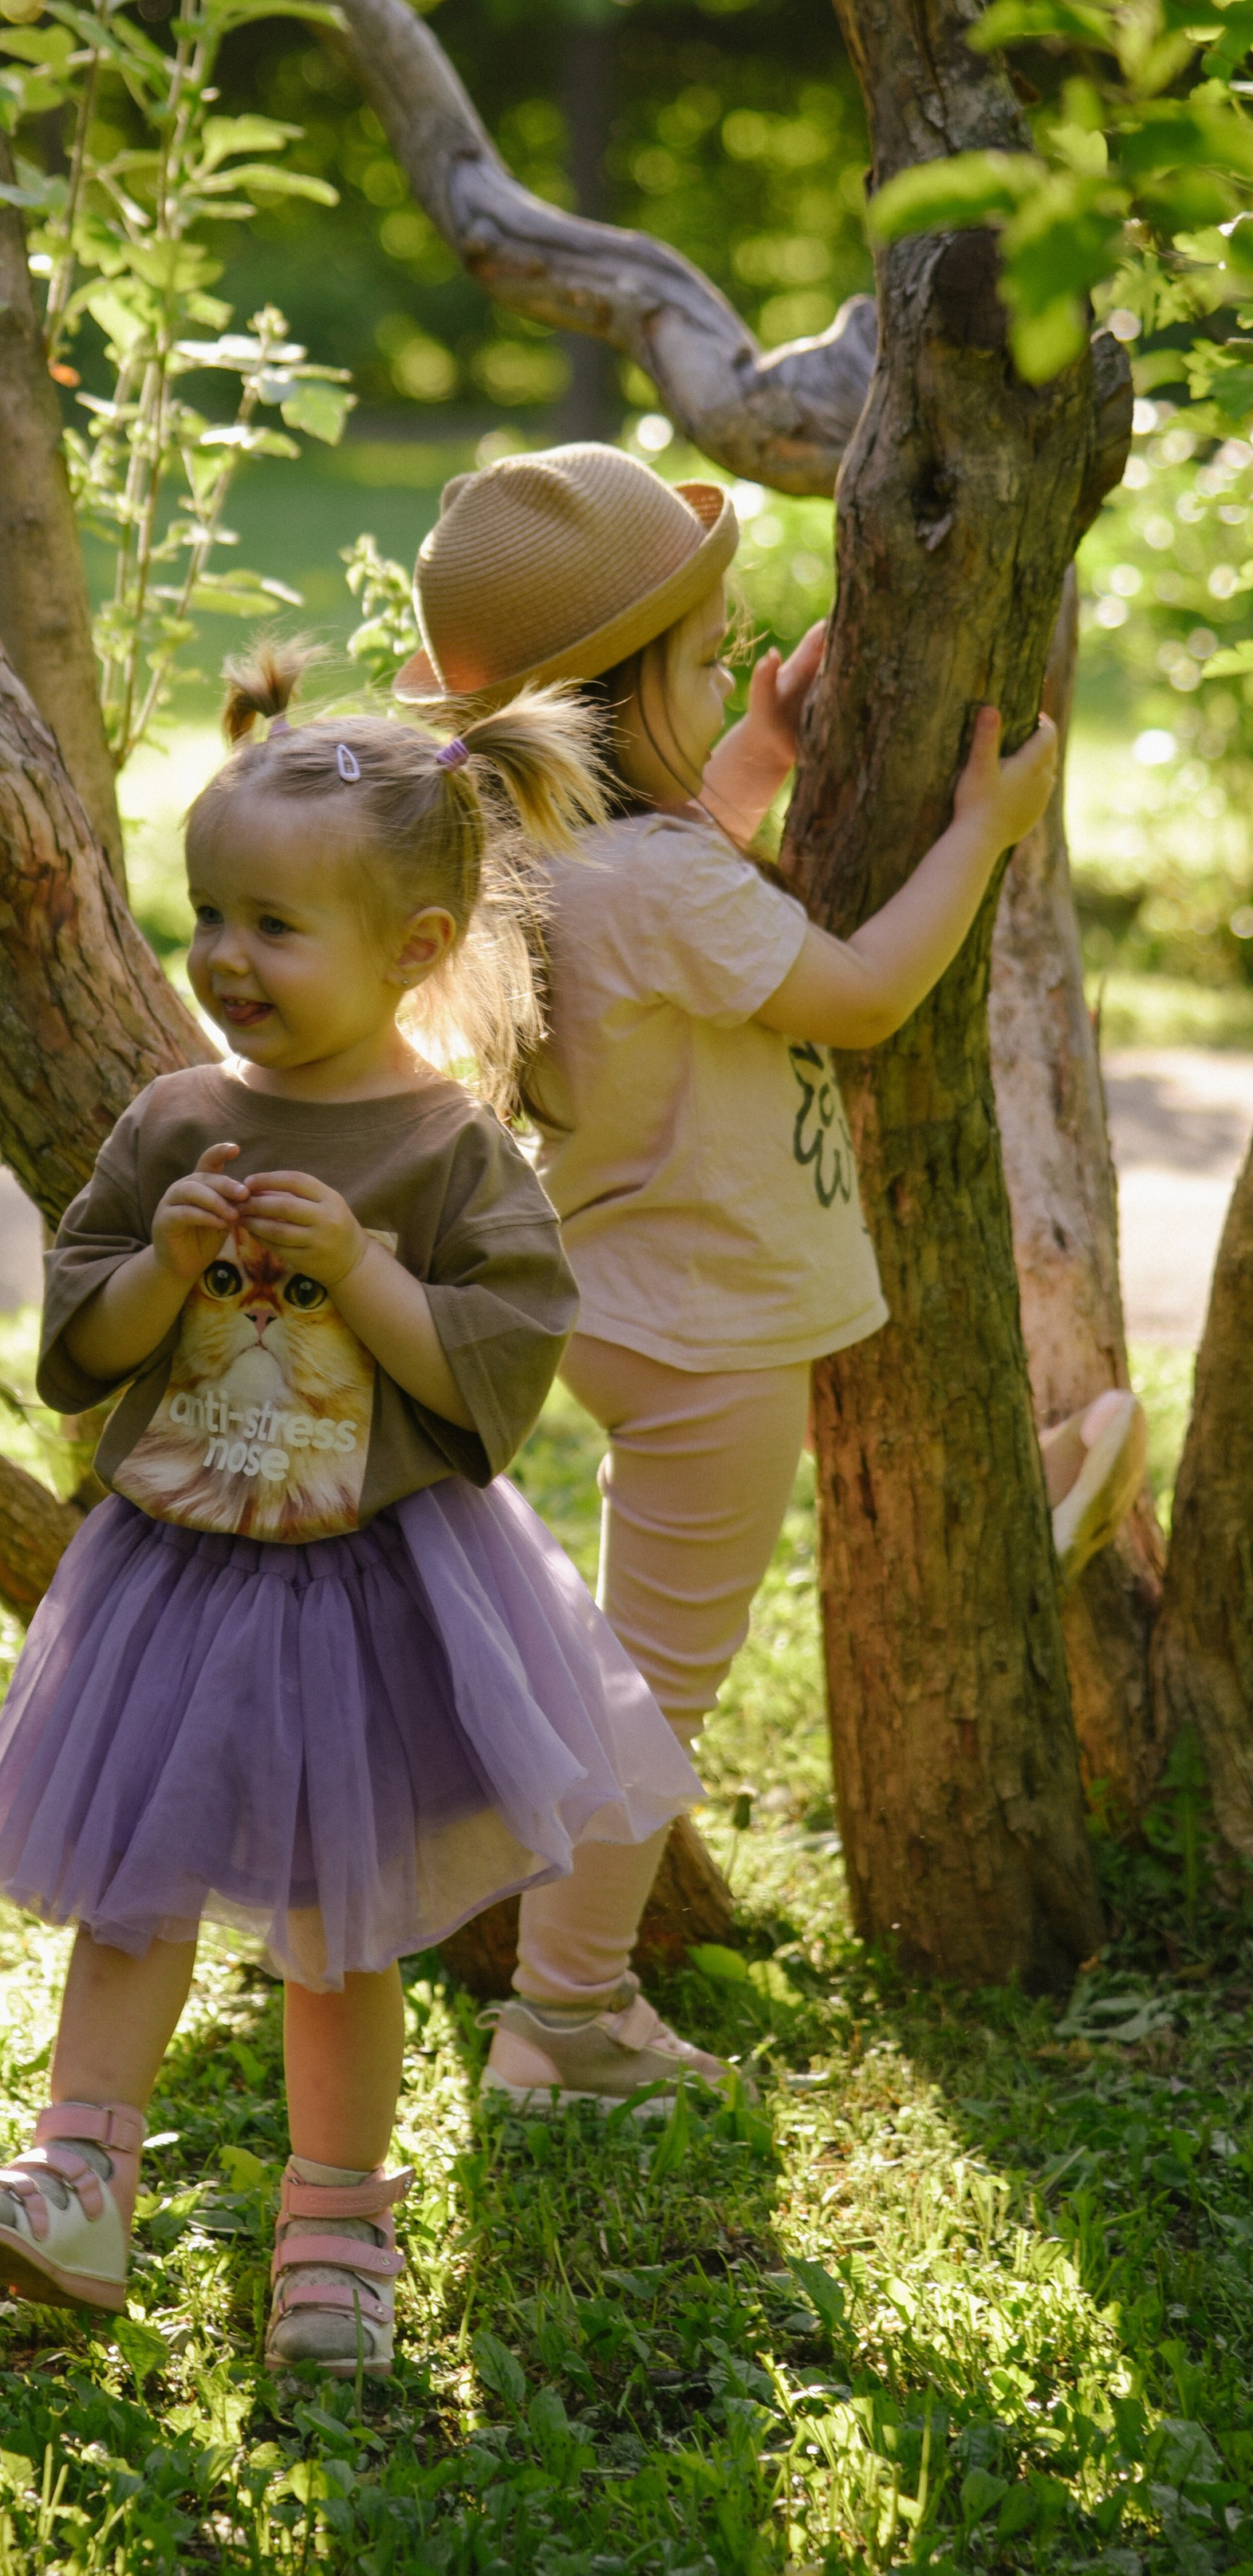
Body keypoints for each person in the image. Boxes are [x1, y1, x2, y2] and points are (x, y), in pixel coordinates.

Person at [0, 642, 701, 2373]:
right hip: (179, 1574)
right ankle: (76, 2179)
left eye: (275, 926)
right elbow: (84, 1342)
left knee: (341, 1936)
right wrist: (169, 1259)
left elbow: (488, 1383)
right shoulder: (174, 1120)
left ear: (412, 951)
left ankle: (336, 2235)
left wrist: (358, 1268)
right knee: (131, 1891)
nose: (224, 957)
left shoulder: (444, 1156)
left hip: (376, 1585)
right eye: (210, 913)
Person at [391, 442, 1149, 2109]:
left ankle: (1010, 1522)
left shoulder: (555, 853)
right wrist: (984, 829)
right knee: (648, 1689)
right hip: (704, 1326)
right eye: (709, 653)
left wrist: (747, 753)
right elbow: (866, 990)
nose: (737, 660)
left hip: (649, 1305)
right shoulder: (653, 884)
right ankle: (561, 2020)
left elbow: (679, 894)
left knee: (647, 1649)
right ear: (620, 691)